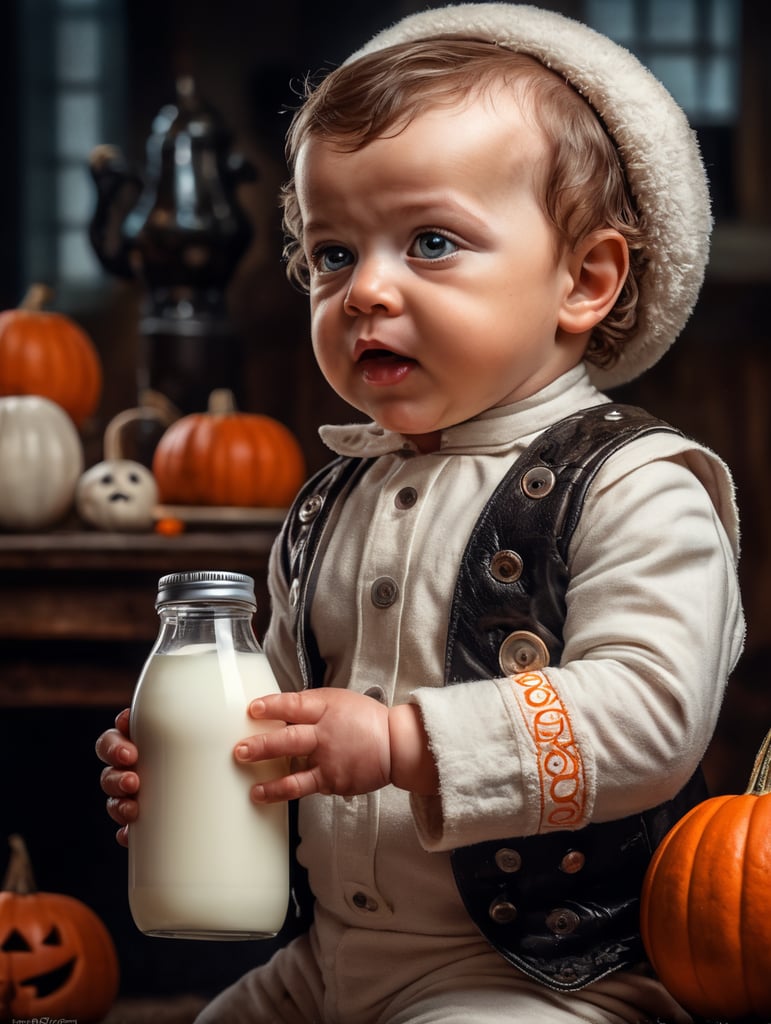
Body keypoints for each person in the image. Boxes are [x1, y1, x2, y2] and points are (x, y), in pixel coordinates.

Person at [97, 5, 745, 1022]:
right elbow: (286, 730)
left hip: (535, 974)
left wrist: (407, 742)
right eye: (332, 254)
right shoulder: (330, 503)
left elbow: (652, 711)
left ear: (585, 279)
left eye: (431, 242)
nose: (364, 292)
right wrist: (201, 773)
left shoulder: (634, 484)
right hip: (330, 960)